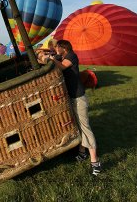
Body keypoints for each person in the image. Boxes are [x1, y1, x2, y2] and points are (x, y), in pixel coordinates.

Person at [38, 40, 102, 176]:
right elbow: (46, 61)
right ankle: (82, 152)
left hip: (79, 97)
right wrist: (43, 56)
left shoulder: (71, 56)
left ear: (64, 48)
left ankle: (95, 162)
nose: (55, 49)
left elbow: (61, 67)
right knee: (78, 125)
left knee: (85, 127)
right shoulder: (61, 56)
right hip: (71, 97)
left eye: (57, 47)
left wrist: (50, 58)